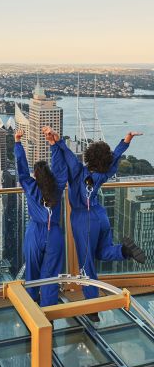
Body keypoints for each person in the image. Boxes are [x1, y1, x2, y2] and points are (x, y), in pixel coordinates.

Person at [43, 127, 145, 321]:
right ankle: (124, 251)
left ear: (89, 157)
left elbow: (70, 158)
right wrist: (126, 140)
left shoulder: (78, 172)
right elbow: (114, 157)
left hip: (84, 220)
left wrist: (57, 142)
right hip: (100, 215)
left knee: (86, 264)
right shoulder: (103, 174)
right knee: (101, 251)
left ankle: (92, 308)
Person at [14, 128, 67, 307]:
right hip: (54, 234)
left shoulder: (30, 187)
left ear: (35, 176)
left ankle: (32, 307)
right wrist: (53, 144)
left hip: (35, 232)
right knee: (50, 275)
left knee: (32, 271)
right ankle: (49, 311)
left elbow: (21, 171)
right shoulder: (57, 187)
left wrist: (17, 143)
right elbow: (60, 169)